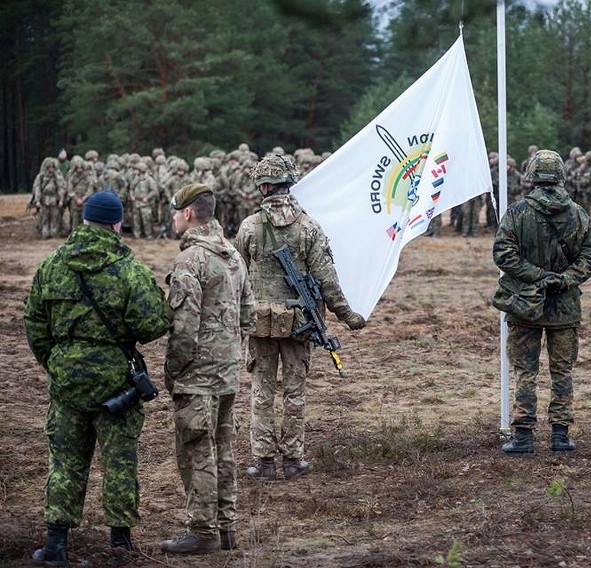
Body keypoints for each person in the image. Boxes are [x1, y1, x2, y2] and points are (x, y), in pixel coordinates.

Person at [24, 191, 170, 566]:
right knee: (120, 461)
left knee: (65, 462)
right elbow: (153, 324)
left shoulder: (52, 266)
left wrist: (57, 362)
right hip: (116, 382)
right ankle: (120, 546)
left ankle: (56, 544)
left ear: (83, 219)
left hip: (67, 379)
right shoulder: (128, 269)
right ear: (117, 224)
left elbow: (35, 323)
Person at [235, 154, 366, 479]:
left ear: (263, 187)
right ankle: (292, 459)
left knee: (261, 393)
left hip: (260, 325)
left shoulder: (249, 227)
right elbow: (327, 280)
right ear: (289, 184)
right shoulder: (309, 227)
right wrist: (348, 315)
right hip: (299, 325)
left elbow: (235, 274)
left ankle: (264, 461)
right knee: (294, 393)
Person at [160, 183, 256, 555]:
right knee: (223, 447)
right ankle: (227, 527)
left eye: (174, 213)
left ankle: (202, 531)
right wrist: (228, 350)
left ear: (187, 214)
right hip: (227, 371)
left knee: (197, 450)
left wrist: (173, 371)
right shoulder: (233, 254)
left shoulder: (190, 261)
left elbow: (184, 330)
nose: (173, 219)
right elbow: (248, 315)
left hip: (197, 376)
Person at [493, 150, 591, 455]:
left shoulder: (517, 213)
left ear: (530, 177)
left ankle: (524, 438)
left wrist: (536, 276)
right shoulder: (578, 213)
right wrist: (563, 279)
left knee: (525, 371)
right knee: (562, 371)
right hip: (564, 307)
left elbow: (503, 254)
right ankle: (560, 436)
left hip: (525, 305)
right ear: (561, 177)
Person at [31, 157, 67, 239]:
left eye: (52, 167)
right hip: (44, 200)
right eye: (49, 167)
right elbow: (37, 189)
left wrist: (61, 199)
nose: (51, 169)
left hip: (54, 199)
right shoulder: (40, 177)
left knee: (55, 217)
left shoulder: (57, 177)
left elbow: (61, 188)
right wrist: (37, 200)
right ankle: (45, 232)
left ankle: (54, 232)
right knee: (44, 217)